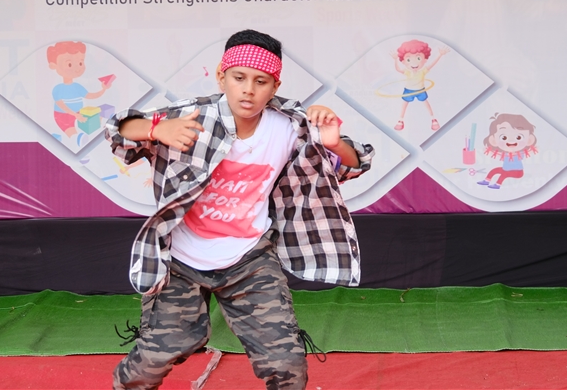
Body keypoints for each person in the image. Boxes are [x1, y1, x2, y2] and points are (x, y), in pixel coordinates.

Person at [105, 29, 374, 390]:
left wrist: (333, 143)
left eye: (260, 81)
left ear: (275, 86)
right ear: (222, 77)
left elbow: (355, 163)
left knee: (286, 363)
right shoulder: (191, 116)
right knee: (155, 357)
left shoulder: (291, 127)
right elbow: (118, 128)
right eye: (239, 78)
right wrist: (156, 129)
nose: (248, 90)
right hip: (181, 260)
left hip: (249, 258)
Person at [47, 41, 110, 144]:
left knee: (92, 125)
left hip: (79, 113)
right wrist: (75, 115)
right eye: (69, 64)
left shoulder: (77, 86)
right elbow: (62, 105)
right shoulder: (58, 89)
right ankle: (77, 140)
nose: (77, 68)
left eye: (80, 63)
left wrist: (103, 89)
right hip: (63, 115)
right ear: (54, 66)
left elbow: (90, 96)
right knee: (73, 135)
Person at [389, 39, 449, 131]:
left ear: (425, 59)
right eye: (408, 59)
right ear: (403, 61)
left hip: (420, 90)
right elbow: (398, 69)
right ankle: (400, 120)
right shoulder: (407, 71)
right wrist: (395, 59)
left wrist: (440, 55)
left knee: (426, 103)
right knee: (404, 104)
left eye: (418, 58)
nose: (414, 63)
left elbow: (432, 64)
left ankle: (433, 119)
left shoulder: (423, 71)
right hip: (408, 90)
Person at [477, 113, 538, 189]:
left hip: (518, 172)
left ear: (529, 139)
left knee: (503, 175)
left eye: (519, 137)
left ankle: (497, 185)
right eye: (504, 138)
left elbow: (526, 153)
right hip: (505, 170)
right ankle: (486, 181)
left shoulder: (520, 153)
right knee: (494, 170)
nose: (511, 141)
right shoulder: (505, 153)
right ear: (493, 140)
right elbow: (498, 154)